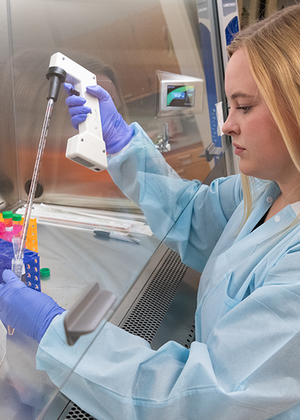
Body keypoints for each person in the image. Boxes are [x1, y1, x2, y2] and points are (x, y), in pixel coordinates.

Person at [1, 4, 300, 419]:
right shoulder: (266, 189)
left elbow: (195, 398)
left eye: (244, 107)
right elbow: (194, 217)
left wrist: (54, 327)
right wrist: (121, 142)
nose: (228, 125)